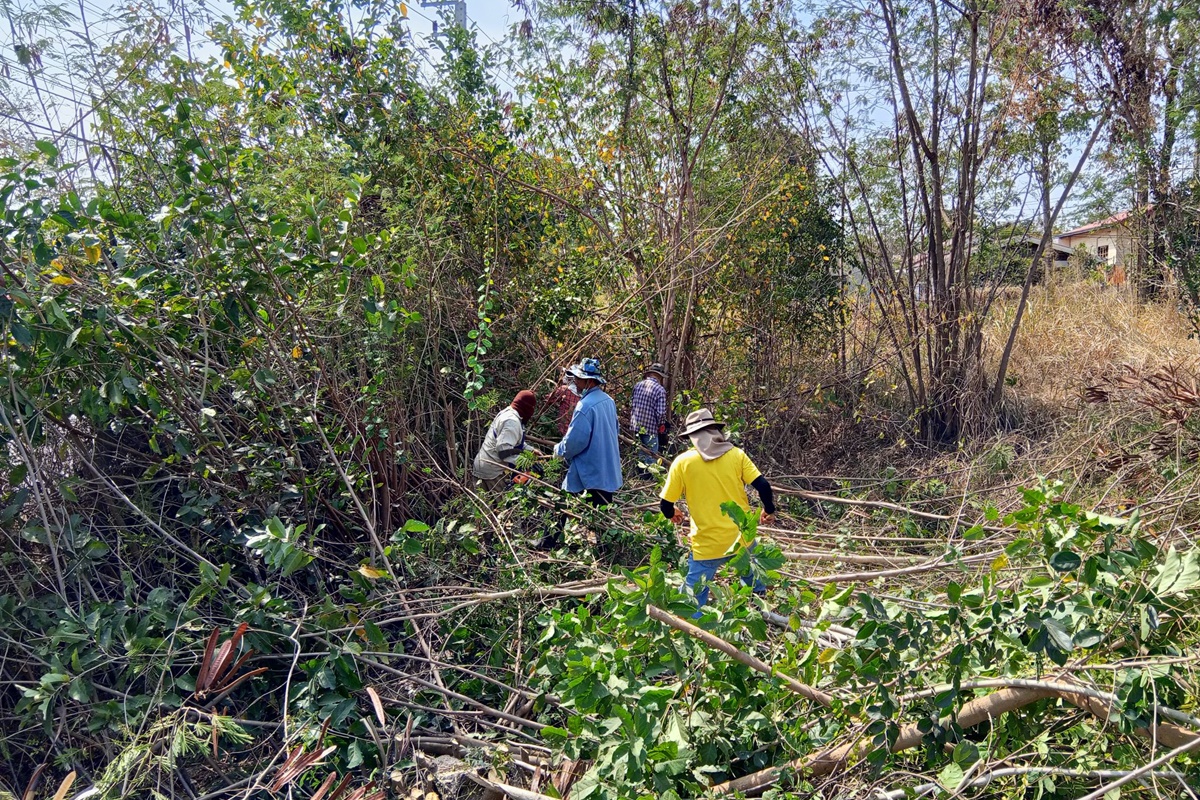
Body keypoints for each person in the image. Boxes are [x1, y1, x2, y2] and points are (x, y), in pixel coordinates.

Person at [659, 408, 776, 616]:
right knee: (752, 570)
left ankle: (694, 627)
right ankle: (759, 603)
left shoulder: (682, 462)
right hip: (742, 538)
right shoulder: (736, 455)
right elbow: (764, 486)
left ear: (692, 437)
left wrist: (672, 513)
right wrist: (769, 510)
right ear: (715, 430)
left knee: (690, 598)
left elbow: (665, 504)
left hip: (707, 544)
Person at [541, 358, 623, 547]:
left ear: (589, 381)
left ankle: (548, 542)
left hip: (587, 465)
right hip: (606, 465)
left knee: (563, 501)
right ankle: (606, 550)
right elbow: (615, 430)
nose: (575, 382)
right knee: (602, 510)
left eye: (578, 378)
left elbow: (575, 441)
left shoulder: (584, 406)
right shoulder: (608, 401)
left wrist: (559, 450)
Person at [472, 390, 537, 491]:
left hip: (482, 465)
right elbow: (504, 452)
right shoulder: (512, 422)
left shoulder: (507, 413)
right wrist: (527, 463)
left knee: (478, 503)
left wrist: (530, 450)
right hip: (493, 473)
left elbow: (510, 439)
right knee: (498, 505)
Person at [630, 363, 668, 476]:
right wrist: (662, 425)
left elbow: (632, 403)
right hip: (651, 427)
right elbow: (661, 413)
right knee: (651, 456)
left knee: (641, 454)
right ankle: (649, 481)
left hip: (636, 425)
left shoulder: (638, 385)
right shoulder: (660, 390)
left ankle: (640, 478)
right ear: (660, 376)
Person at [544, 370, 580, 436]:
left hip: (563, 428)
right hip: (576, 431)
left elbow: (549, 399)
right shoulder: (586, 395)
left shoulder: (565, 389)